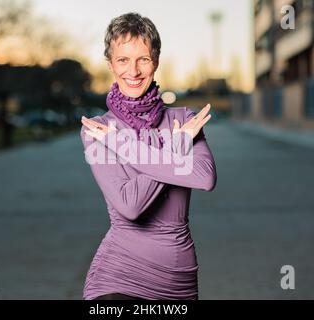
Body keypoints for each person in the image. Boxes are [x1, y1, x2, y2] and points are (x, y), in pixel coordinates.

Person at [80, 12, 217, 300]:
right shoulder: (99, 129)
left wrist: (121, 144)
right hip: (118, 276)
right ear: (111, 65)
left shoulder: (183, 118)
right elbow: (131, 205)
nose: (134, 70)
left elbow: (204, 178)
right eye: (123, 60)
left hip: (179, 281)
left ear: (155, 61)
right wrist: (178, 145)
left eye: (143, 59)